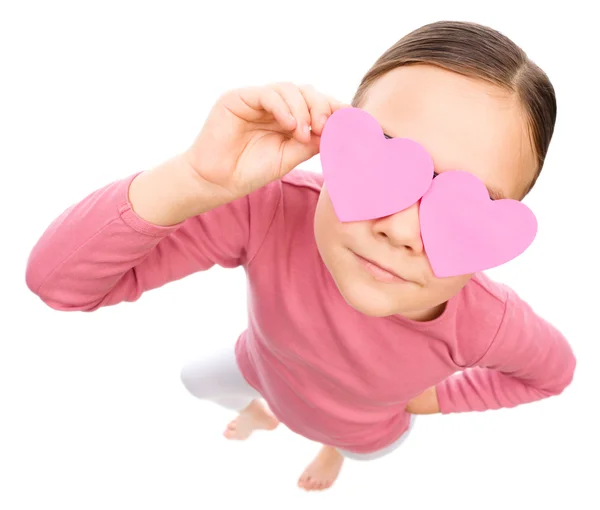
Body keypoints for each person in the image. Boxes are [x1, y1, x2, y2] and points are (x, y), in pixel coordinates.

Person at [25, 20, 576, 492]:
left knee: (358, 449)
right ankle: (269, 413)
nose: (403, 231)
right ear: (335, 143)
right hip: (260, 368)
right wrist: (193, 179)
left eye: (469, 205)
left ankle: (330, 447)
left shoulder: (491, 324)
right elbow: (61, 284)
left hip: (366, 429)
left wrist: (428, 401)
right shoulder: (268, 211)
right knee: (195, 380)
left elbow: (552, 375)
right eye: (384, 163)